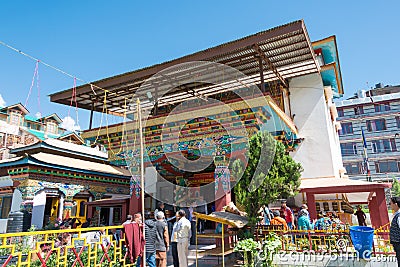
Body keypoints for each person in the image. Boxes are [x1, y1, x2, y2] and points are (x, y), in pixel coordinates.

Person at [390, 196, 400, 266]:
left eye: (391, 203)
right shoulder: (396, 215)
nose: (390, 205)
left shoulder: (399, 216)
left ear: (396, 204)